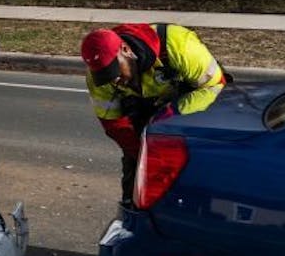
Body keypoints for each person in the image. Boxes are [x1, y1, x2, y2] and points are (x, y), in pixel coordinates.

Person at [80, 23, 226, 204]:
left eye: (116, 72)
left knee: (198, 178)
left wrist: (172, 115)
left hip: (191, 113)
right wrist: (145, 155)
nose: (115, 81)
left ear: (125, 50)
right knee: (136, 191)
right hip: (145, 122)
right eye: (107, 77)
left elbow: (217, 87)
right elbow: (114, 125)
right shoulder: (99, 79)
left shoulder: (178, 46)